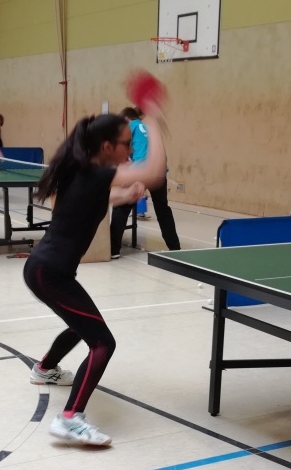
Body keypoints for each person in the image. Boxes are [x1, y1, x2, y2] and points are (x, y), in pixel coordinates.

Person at [24, 108, 167, 447]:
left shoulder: (83, 169)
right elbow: (154, 172)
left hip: (46, 269)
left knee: (82, 324)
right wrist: (153, 122)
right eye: (126, 144)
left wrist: (126, 195)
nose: (130, 150)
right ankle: (70, 417)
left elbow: (99, 196)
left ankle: (45, 368)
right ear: (106, 147)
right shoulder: (95, 171)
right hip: (50, 272)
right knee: (103, 343)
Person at [109, 106, 180, 258]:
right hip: (159, 172)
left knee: (120, 208)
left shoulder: (129, 127)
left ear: (126, 119)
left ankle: (113, 249)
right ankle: (175, 247)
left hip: (141, 171)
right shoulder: (148, 128)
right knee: (162, 209)